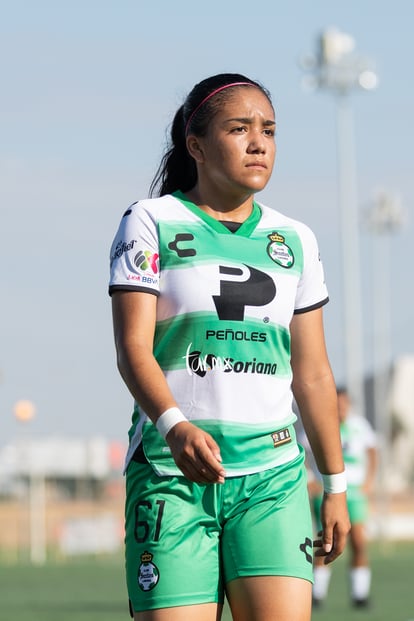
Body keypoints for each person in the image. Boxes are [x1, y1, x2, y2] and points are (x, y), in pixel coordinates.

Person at [108, 72, 350, 621]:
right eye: (239, 128)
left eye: (268, 129)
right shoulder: (150, 221)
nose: (258, 142)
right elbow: (132, 349)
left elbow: (311, 374)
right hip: (172, 477)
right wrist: (175, 426)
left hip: (273, 481)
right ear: (195, 146)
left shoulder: (296, 239)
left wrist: (335, 485)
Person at [311, 387, 378, 608]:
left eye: (344, 403)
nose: (341, 407)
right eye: (337, 403)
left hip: (355, 494)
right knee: (326, 541)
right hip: (328, 492)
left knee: (358, 541)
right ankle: (316, 594)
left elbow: (372, 452)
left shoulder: (360, 426)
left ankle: (360, 595)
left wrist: (369, 481)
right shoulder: (320, 422)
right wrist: (310, 479)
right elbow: (302, 451)